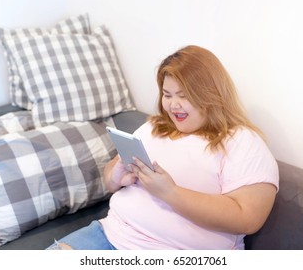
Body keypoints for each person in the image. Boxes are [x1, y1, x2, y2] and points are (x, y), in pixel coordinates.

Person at [47, 45, 279, 250]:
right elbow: (110, 179)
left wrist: (170, 192)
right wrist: (116, 176)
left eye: (183, 95)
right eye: (167, 94)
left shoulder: (242, 141)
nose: (172, 104)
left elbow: (248, 218)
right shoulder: (154, 127)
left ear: (211, 96)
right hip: (107, 235)